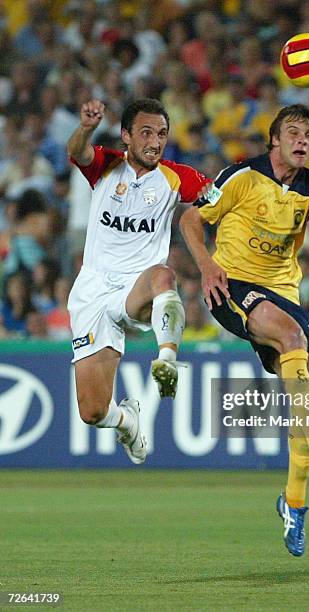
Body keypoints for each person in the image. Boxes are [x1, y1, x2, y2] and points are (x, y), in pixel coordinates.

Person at [180, 104, 309, 556]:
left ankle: (293, 505)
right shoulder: (240, 176)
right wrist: (205, 267)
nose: (303, 140)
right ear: (274, 140)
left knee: (302, 384)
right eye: (294, 132)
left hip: (284, 297)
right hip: (230, 285)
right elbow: (189, 217)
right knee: (295, 344)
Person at [67, 98, 210, 465]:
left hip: (137, 288)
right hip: (93, 292)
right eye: (146, 133)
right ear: (126, 136)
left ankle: (167, 360)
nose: (155, 142)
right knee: (93, 412)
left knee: (164, 275)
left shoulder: (177, 178)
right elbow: (78, 151)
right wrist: (85, 127)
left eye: (161, 134)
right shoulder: (105, 165)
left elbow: (219, 198)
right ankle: (127, 420)